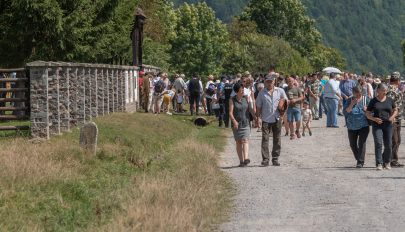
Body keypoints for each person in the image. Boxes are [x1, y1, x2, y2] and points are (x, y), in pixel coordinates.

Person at [256, 74, 287, 166]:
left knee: (277, 139)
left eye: (271, 81)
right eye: (268, 81)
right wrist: (258, 118)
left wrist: (282, 116)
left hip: (277, 118)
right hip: (265, 119)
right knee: (265, 139)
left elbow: (285, 103)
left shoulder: (280, 91)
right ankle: (265, 159)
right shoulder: (262, 93)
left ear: (274, 82)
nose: (269, 83)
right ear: (265, 82)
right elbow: (258, 106)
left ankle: (275, 158)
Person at [366, 83, 398, 170]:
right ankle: (379, 163)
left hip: (388, 125)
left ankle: (387, 162)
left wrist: (392, 117)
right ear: (378, 91)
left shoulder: (390, 100)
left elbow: (395, 110)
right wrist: (374, 119)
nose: (385, 92)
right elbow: (367, 113)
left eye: (386, 90)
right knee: (378, 143)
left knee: (388, 144)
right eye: (383, 90)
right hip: (377, 125)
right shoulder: (373, 101)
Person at [229, 82, 256, 167]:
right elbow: (230, 113)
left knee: (245, 140)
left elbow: (251, 110)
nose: (243, 91)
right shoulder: (232, 100)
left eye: (243, 89)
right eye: (241, 90)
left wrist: (256, 118)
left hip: (246, 123)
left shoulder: (246, 98)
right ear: (237, 91)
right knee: (238, 142)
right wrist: (234, 121)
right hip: (236, 124)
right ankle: (241, 161)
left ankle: (246, 158)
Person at [344, 85, 370, 168]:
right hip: (351, 126)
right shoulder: (349, 100)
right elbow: (345, 112)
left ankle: (360, 162)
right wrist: (351, 104)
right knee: (352, 144)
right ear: (353, 93)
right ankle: (358, 158)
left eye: (359, 93)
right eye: (356, 94)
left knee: (362, 143)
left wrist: (367, 110)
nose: (358, 95)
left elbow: (372, 112)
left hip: (364, 126)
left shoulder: (366, 100)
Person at [386, 72, 404, 167]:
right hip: (394, 118)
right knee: (394, 140)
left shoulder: (393, 89)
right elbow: (389, 104)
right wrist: (391, 117)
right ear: (398, 80)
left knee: (397, 140)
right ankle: (391, 159)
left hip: (397, 118)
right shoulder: (392, 90)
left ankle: (392, 159)